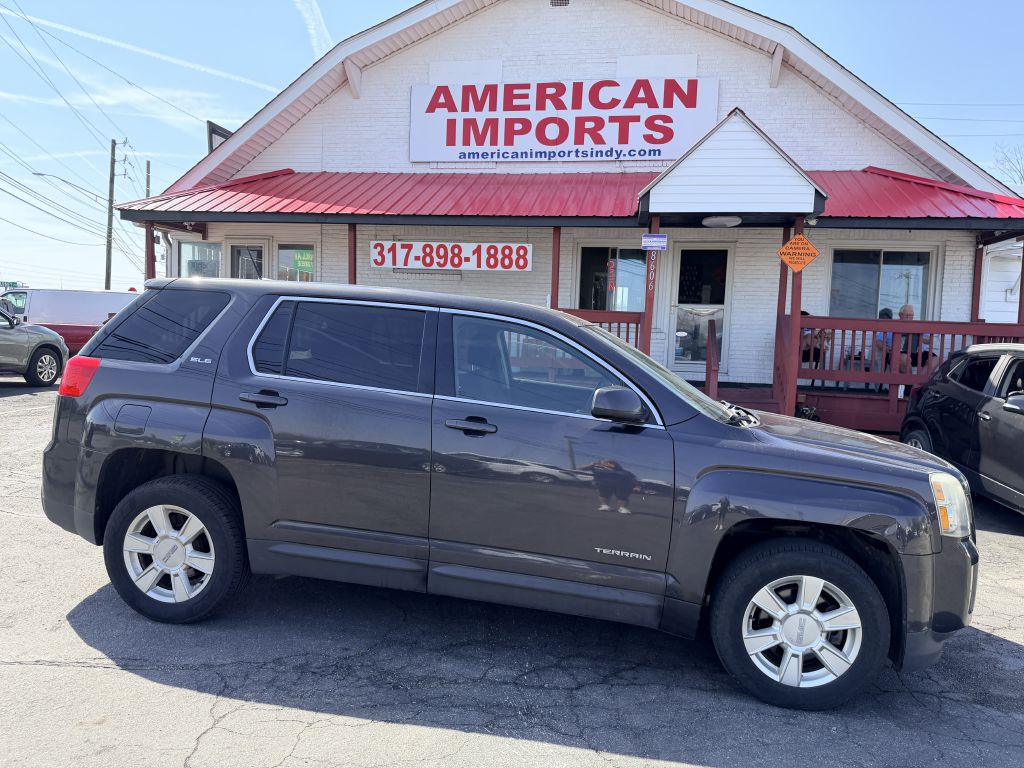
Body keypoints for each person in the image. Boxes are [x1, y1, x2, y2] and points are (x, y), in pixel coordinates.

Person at [897, 304, 934, 374]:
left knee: (935, 359)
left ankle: (918, 381)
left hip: (918, 352)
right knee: (905, 358)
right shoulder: (893, 325)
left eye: (911, 315)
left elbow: (929, 340)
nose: (909, 317)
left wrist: (918, 336)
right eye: (906, 315)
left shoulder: (917, 325)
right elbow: (879, 341)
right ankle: (910, 383)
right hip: (900, 352)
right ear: (900, 315)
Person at [873, 308, 894, 372]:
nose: (882, 320)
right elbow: (878, 342)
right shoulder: (884, 331)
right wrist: (886, 348)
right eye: (881, 318)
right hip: (888, 352)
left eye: (885, 318)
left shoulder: (893, 327)